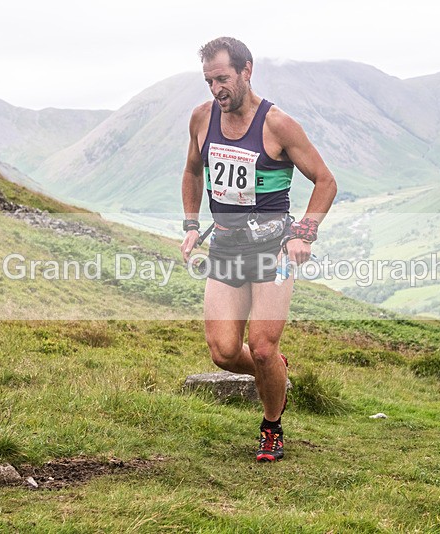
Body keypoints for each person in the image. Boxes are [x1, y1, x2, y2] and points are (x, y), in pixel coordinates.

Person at [180, 37, 337, 462]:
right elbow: (192, 171)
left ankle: (271, 426)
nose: (216, 89)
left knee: (263, 346)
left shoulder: (278, 125)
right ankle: (274, 371)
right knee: (224, 352)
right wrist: (192, 225)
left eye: (223, 79)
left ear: (247, 71)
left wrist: (304, 233)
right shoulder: (201, 118)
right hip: (225, 250)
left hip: (273, 252)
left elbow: (325, 181)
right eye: (209, 81)